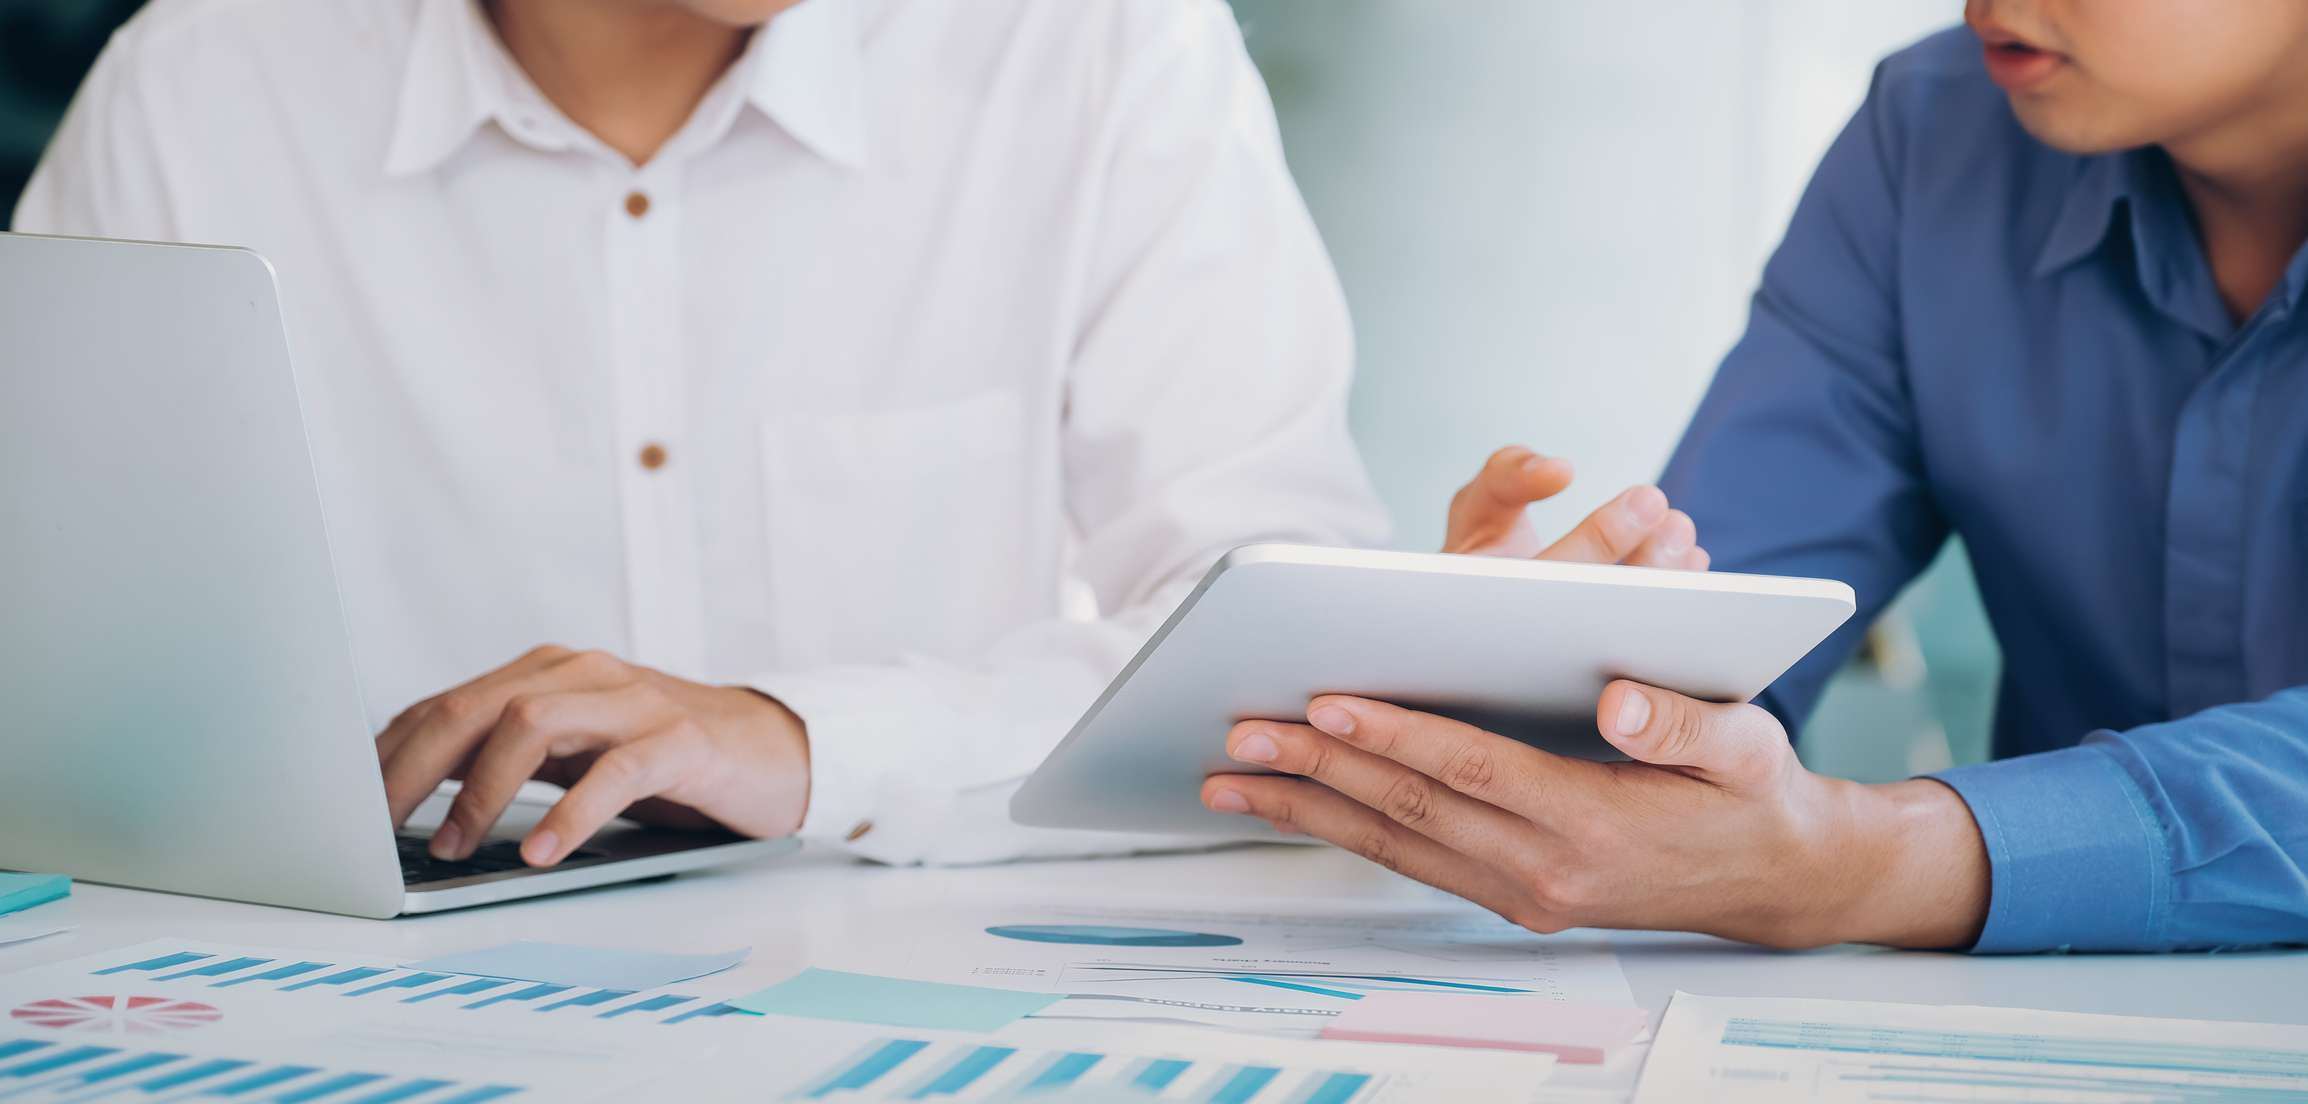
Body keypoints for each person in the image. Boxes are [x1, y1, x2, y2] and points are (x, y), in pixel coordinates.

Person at [13, 0, 1704, 869]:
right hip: (332, 1055)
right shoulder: (207, 82)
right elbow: (61, 689)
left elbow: (1243, 652)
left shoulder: (1092, 45)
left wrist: (804, 736)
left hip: (943, 1027)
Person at [1201, 3, 2308, 954]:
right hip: (2048, 1049)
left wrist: (1873, 861)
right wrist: (1548, 677)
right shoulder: (1935, 135)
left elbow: (1848, 861)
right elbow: (1718, 609)